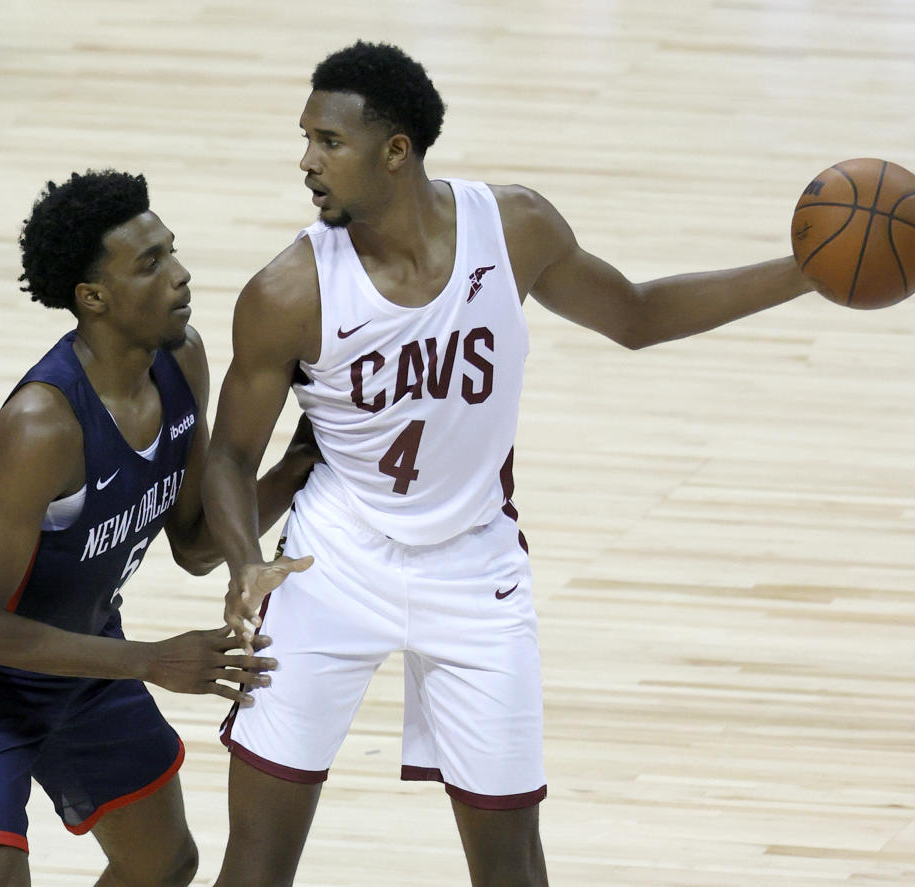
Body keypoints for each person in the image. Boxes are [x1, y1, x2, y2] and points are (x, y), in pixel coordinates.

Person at [201, 42, 817, 887]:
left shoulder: (514, 227)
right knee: (258, 864)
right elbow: (230, 457)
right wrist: (244, 561)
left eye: (328, 142)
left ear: (397, 150)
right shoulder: (288, 292)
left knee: (514, 869)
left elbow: (635, 315)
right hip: (329, 565)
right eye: (305, 138)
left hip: (474, 569)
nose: (306, 161)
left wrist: (803, 273)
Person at [0, 169, 315, 887]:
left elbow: (192, 543)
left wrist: (297, 466)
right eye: (151, 264)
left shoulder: (182, 360)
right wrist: (154, 660)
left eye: (172, 251)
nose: (182, 276)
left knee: (162, 862)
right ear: (93, 297)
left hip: (82, 660)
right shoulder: (42, 424)